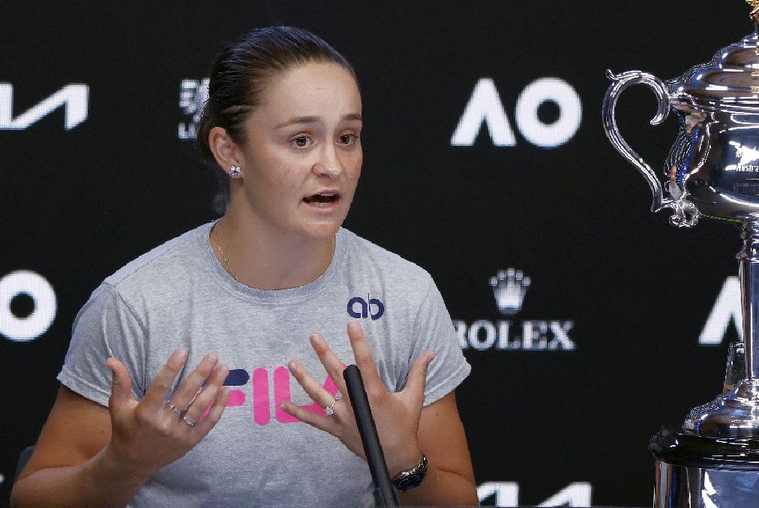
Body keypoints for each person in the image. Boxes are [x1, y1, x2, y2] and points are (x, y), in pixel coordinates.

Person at [11, 26, 477, 507]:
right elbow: (34, 499)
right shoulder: (137, 304)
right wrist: (124, 463)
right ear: (229, 151)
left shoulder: (405, 294)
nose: (333, 165)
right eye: (300, 140)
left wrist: (404, 461)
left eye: (347, 137)